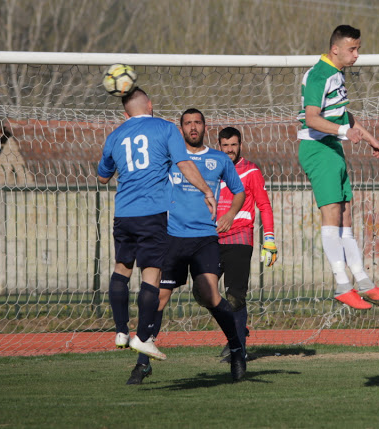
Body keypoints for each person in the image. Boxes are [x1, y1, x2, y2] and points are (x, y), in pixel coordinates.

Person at [97, 89, 218, 368]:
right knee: (151, 274)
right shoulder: (165, 128)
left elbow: (103, 177)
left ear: (125, 113)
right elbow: (185, 164)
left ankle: (120, 330)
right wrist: (207, 191)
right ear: (150, 106)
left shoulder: (114, 136)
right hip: (152, 215)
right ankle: (142, 337)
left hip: (123, 214)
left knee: (122, 268)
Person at [127, 109, 247, 385]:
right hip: (172, 238)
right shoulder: (171, 157)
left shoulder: (218, 159)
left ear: (205, 127)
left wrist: (230, 215)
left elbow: (238, 191)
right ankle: (143, 363)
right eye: (188, 123)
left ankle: (237, 349)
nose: (193, 127)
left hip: (205, 238)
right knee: (158, 298)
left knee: (210, 295)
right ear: (180, 129)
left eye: (198, 123)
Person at [297, 25, 379, 309]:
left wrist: (369, 138)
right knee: (331, 215)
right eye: (352, 49)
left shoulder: (336, 74)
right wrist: (343, 133)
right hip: (318, 148)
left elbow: (342, 113)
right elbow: (312, 118)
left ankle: (363, 282)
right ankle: (342, 284)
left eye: (358, 49)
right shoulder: (318, 74)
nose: (356, 55)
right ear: (335, 49)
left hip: (333, 149)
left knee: (346, 216)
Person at [216, 127, 276, 362]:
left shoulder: (250, 170)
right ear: (219, 145)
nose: (229, 149)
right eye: (225, 145)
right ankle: (237, 331)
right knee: (204, 292)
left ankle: (238, 348)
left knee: (235, 295)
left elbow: (265, 206)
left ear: (240, 144)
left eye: (233, 145)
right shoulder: (212, 167)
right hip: (211, 238)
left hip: (240, 237)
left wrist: (269, 239)